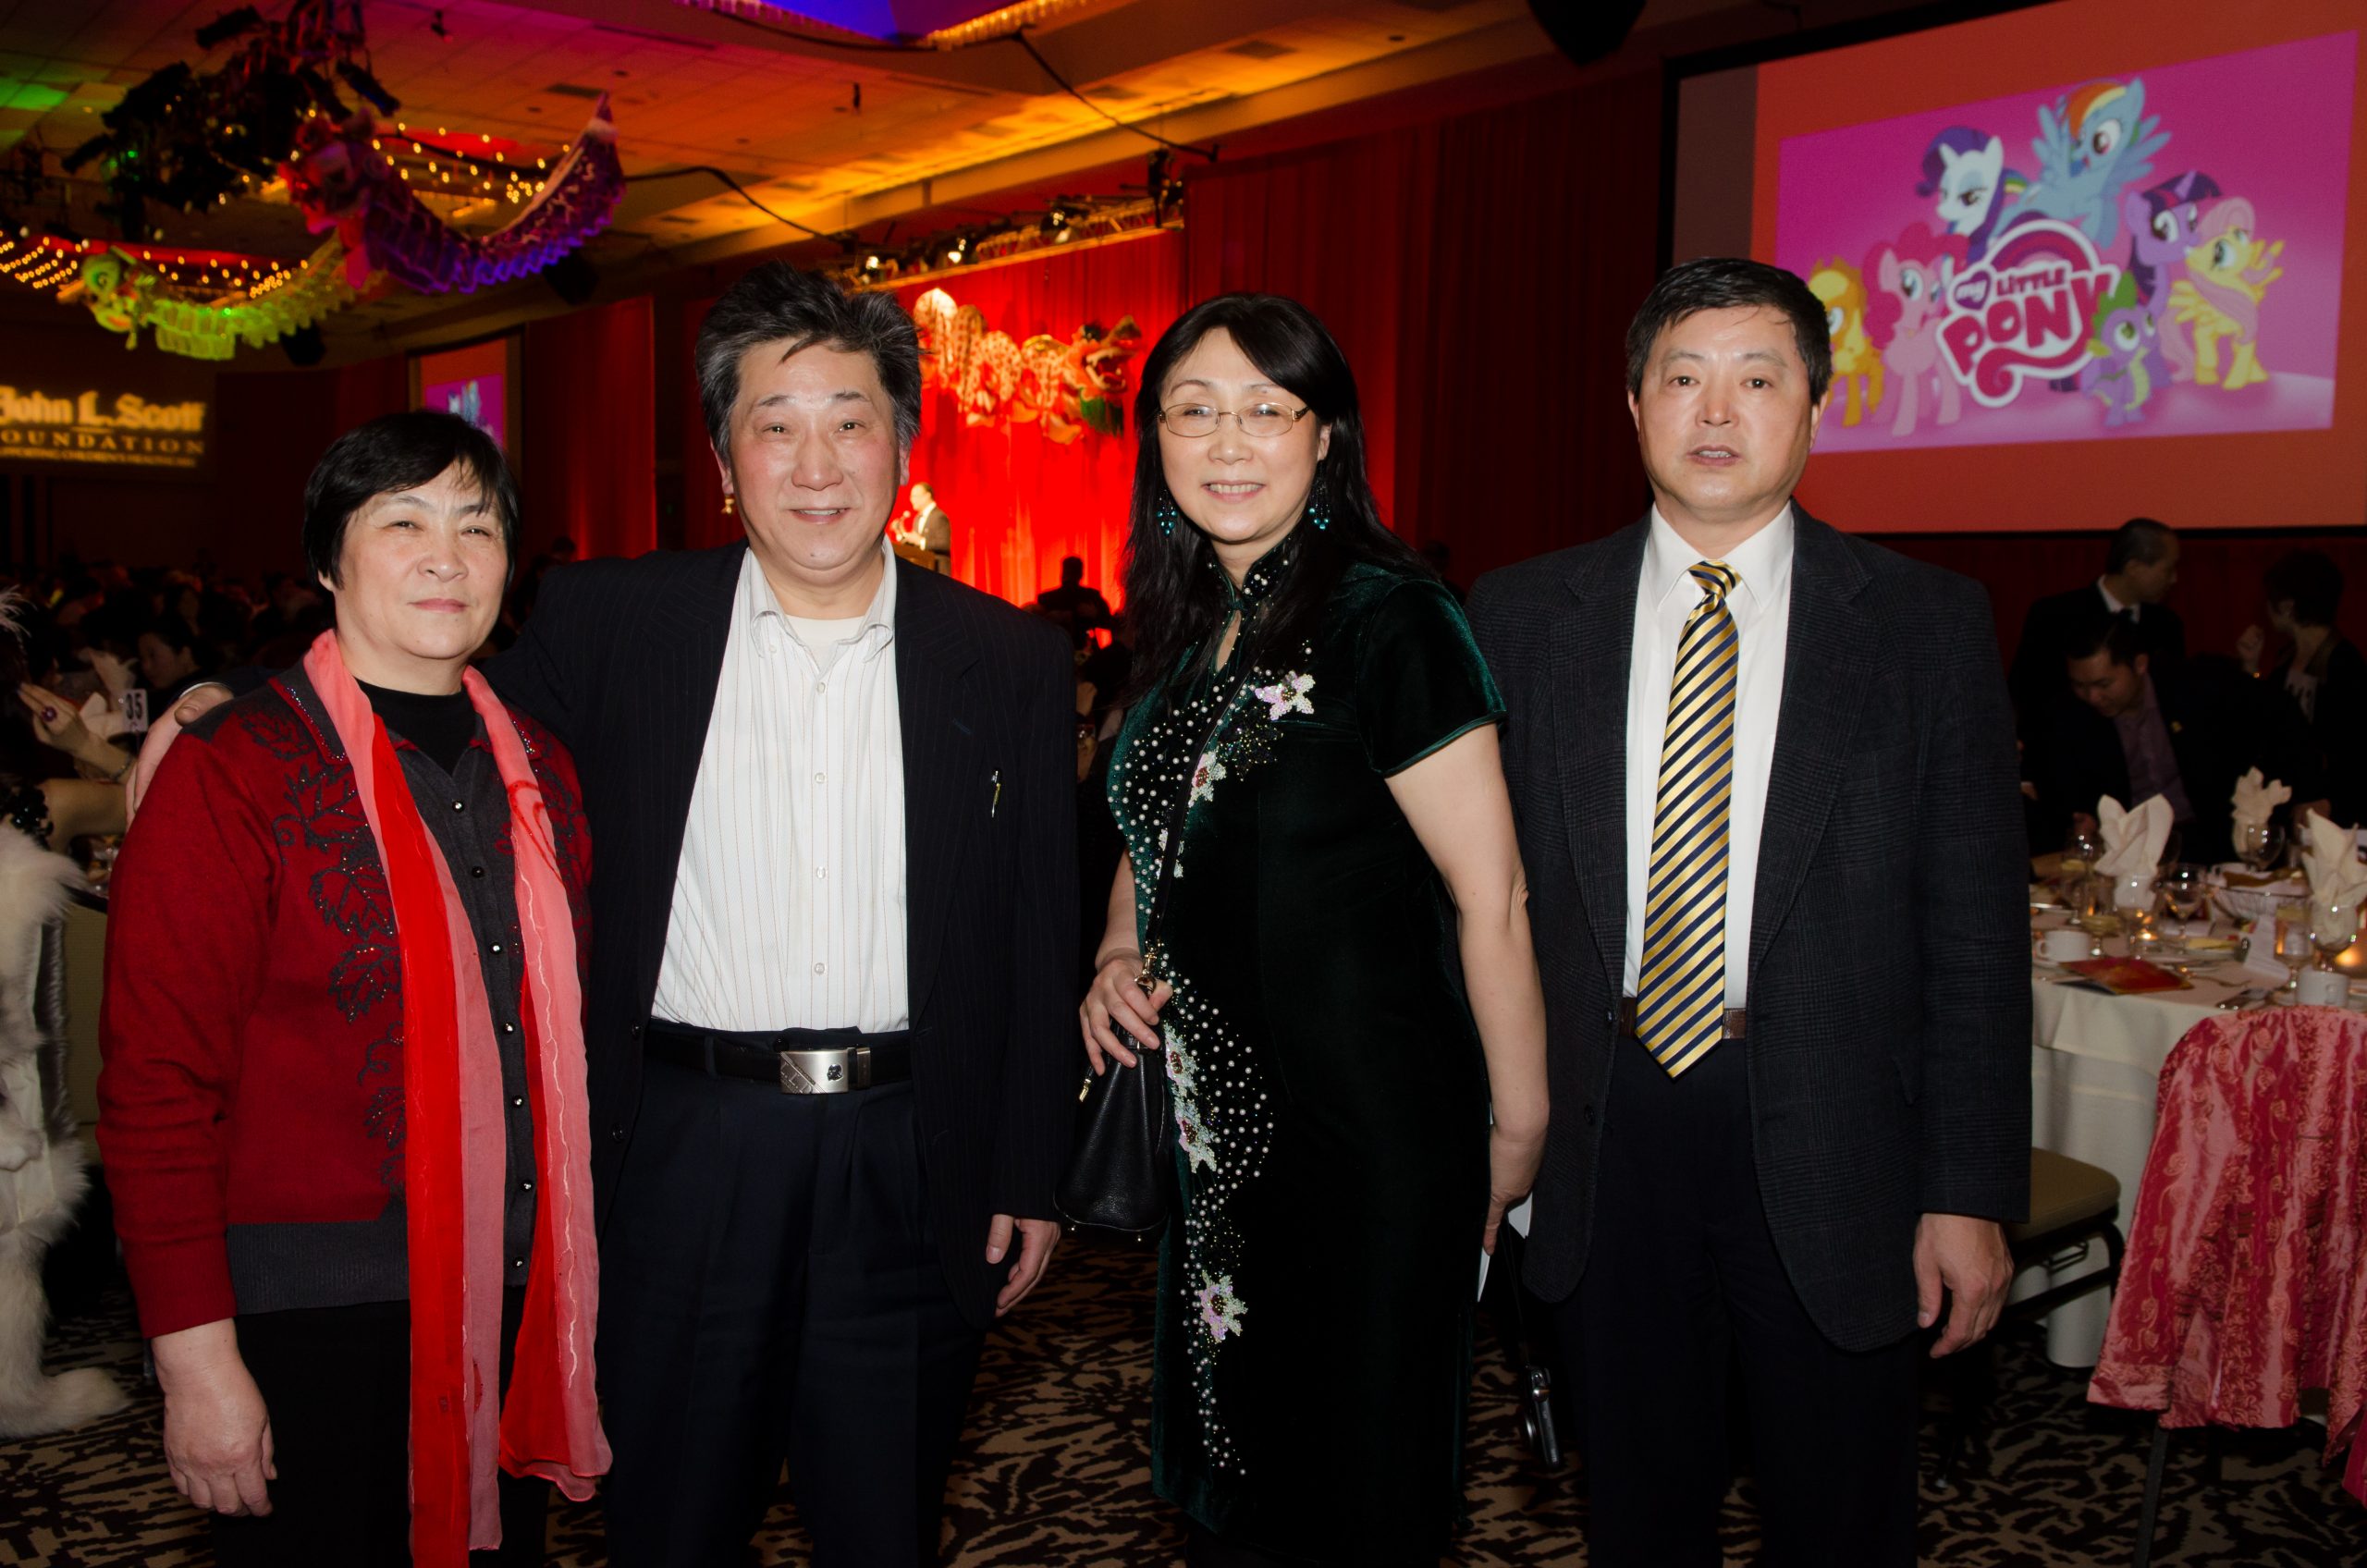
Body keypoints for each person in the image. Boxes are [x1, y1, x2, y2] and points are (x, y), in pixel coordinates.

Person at [486, 262, 1075, 1565]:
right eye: (776, 424)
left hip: (911, 1154)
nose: (817, 465)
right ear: (722, 459)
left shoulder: (1009, 659)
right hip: (685, 1149)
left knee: (884, 1526)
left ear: (901, 446)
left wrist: (1030, 1165)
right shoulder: (617, 621)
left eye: (850, 421)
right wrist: (234, 699)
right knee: (671, 1525)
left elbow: (1040, 931)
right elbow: (437, 703)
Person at [1467, 257, 2030, 1567]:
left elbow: (1974, 935)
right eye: (1684, 378)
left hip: (1839, 1137)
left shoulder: (1921, 624)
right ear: (1633, 406)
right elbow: (1476, 894)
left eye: (1758, 379)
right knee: (1637, 1517)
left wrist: (1967, 1190)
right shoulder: (1524, 613)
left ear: (1815, 410)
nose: (1716, 411)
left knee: (1842, 1521)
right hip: (1604, 1129)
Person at [1079, 292, 1550, 1567]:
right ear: (1156, 439)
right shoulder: (1191, 625)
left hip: (1372, 1136)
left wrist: (1516, 1131)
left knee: (1355, 1495)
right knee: (1242, 1481)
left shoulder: (1390, 618)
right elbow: (1153, 827)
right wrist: (1118, 947)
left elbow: (1493, 897)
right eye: (1194, 412)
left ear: (1325, 435)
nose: (1227, 443)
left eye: (1265, 410)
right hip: (1222, 1141)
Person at [98, 410, 608, 1567]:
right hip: (310, 1316)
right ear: (329, 561)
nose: (445, 557)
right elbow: (155, 1084)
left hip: (518, 1294)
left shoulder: (540, 767)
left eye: (475, 527)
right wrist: (193, 1357)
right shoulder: (235, 770)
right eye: (403, 523)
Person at [2039, 615, 2321, 861]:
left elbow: (2282, 713)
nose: (2092, 697)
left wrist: (2310, 792)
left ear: (2140, 664)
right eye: (2080, 686)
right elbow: (2063, 794)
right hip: (2128, 851)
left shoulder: (2195, 684)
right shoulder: (2069, 715)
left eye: (2104, 684)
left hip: (2212, 839)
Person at [2007, 517, 2184, 732]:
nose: (2174, 579)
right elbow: (2025, 693)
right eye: (2168, 569)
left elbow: (2175, 696)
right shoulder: (2054, 615)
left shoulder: (2167, 623)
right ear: (2134, 567)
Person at [2240, 549, 2364, 827]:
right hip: (2293, 804)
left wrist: (2329, 800)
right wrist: (2251, 667)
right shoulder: (2287, 658)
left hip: (2328, 814)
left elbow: (2353, 751)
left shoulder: (2344, 665)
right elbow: (2266, 723)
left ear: (2287, 606)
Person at [1037, 555, 1113, 626]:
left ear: (1062, 574)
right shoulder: (1091, 596)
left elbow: (1036, 626)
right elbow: (1109, 622)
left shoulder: (1046, 598)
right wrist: (1096, 615)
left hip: (1053, 635)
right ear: (1081, 574)